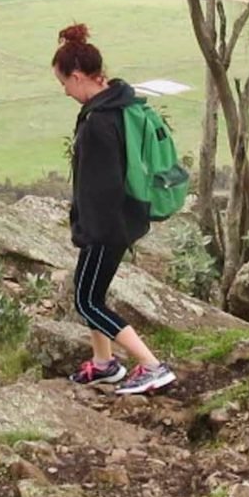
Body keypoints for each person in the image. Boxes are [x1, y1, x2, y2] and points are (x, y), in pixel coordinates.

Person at [53, 24, 176, 395]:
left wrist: (89, 233)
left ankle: (152, 365)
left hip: (108, 227)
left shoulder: (98, 123)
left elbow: (102, 188)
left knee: (86, 301)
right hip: (126, 218)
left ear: (77, 77)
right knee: (93, 291)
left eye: (63, 82)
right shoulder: (120, 105)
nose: (63, 90)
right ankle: (105, 365)